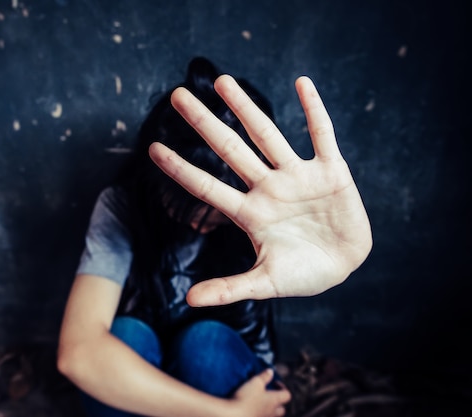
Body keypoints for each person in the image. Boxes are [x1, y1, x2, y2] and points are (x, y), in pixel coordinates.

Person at [57, 57, 372, 417]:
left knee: (204, 344)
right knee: (128, 335)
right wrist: (225, 413)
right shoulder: (123, 207)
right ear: (156, 182)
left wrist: (338, 254)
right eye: (184, 207)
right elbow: (79, 355)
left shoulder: (262, 225)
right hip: (184, 399)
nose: (199, 226)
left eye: (220, 217)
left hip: (220, 372)